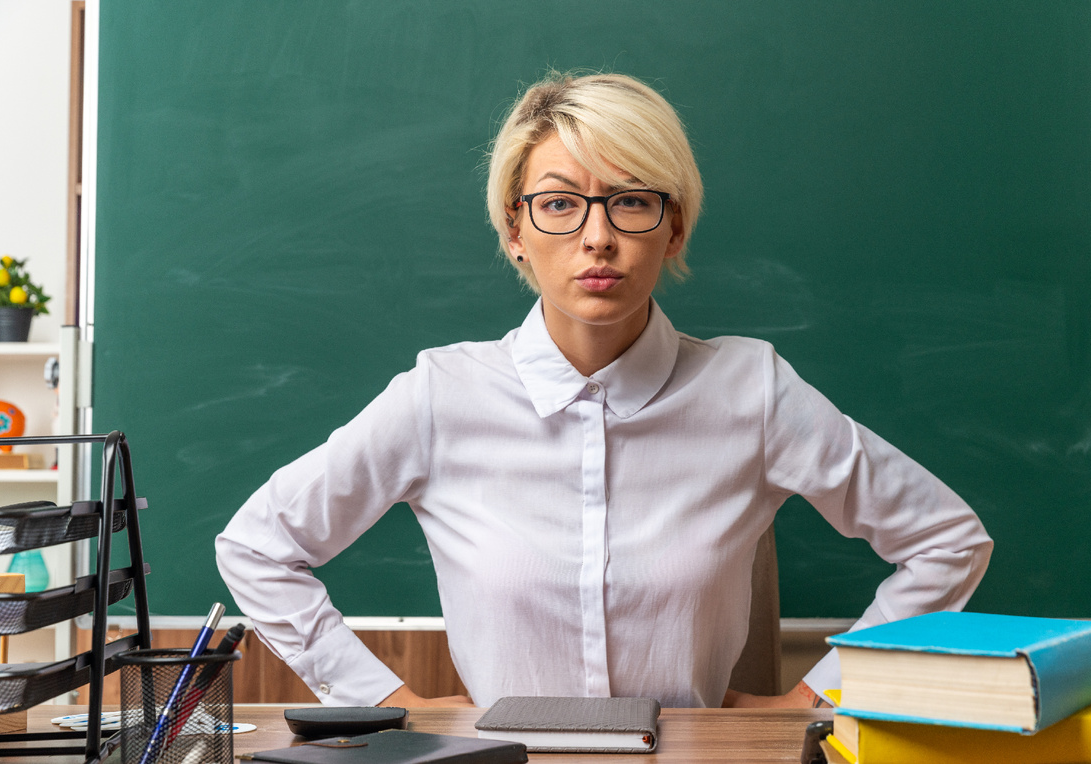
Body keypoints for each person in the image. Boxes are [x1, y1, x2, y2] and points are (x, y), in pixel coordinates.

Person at [215, 72, 993, 710]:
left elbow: (946, 541)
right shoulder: (439, 395)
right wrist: (388, 703)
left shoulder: (750, 391)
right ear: (514, 232)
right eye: (559, 203)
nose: (597, 237)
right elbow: (257, 547)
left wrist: (818, 699)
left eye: (631, 200)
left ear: (673, 228)